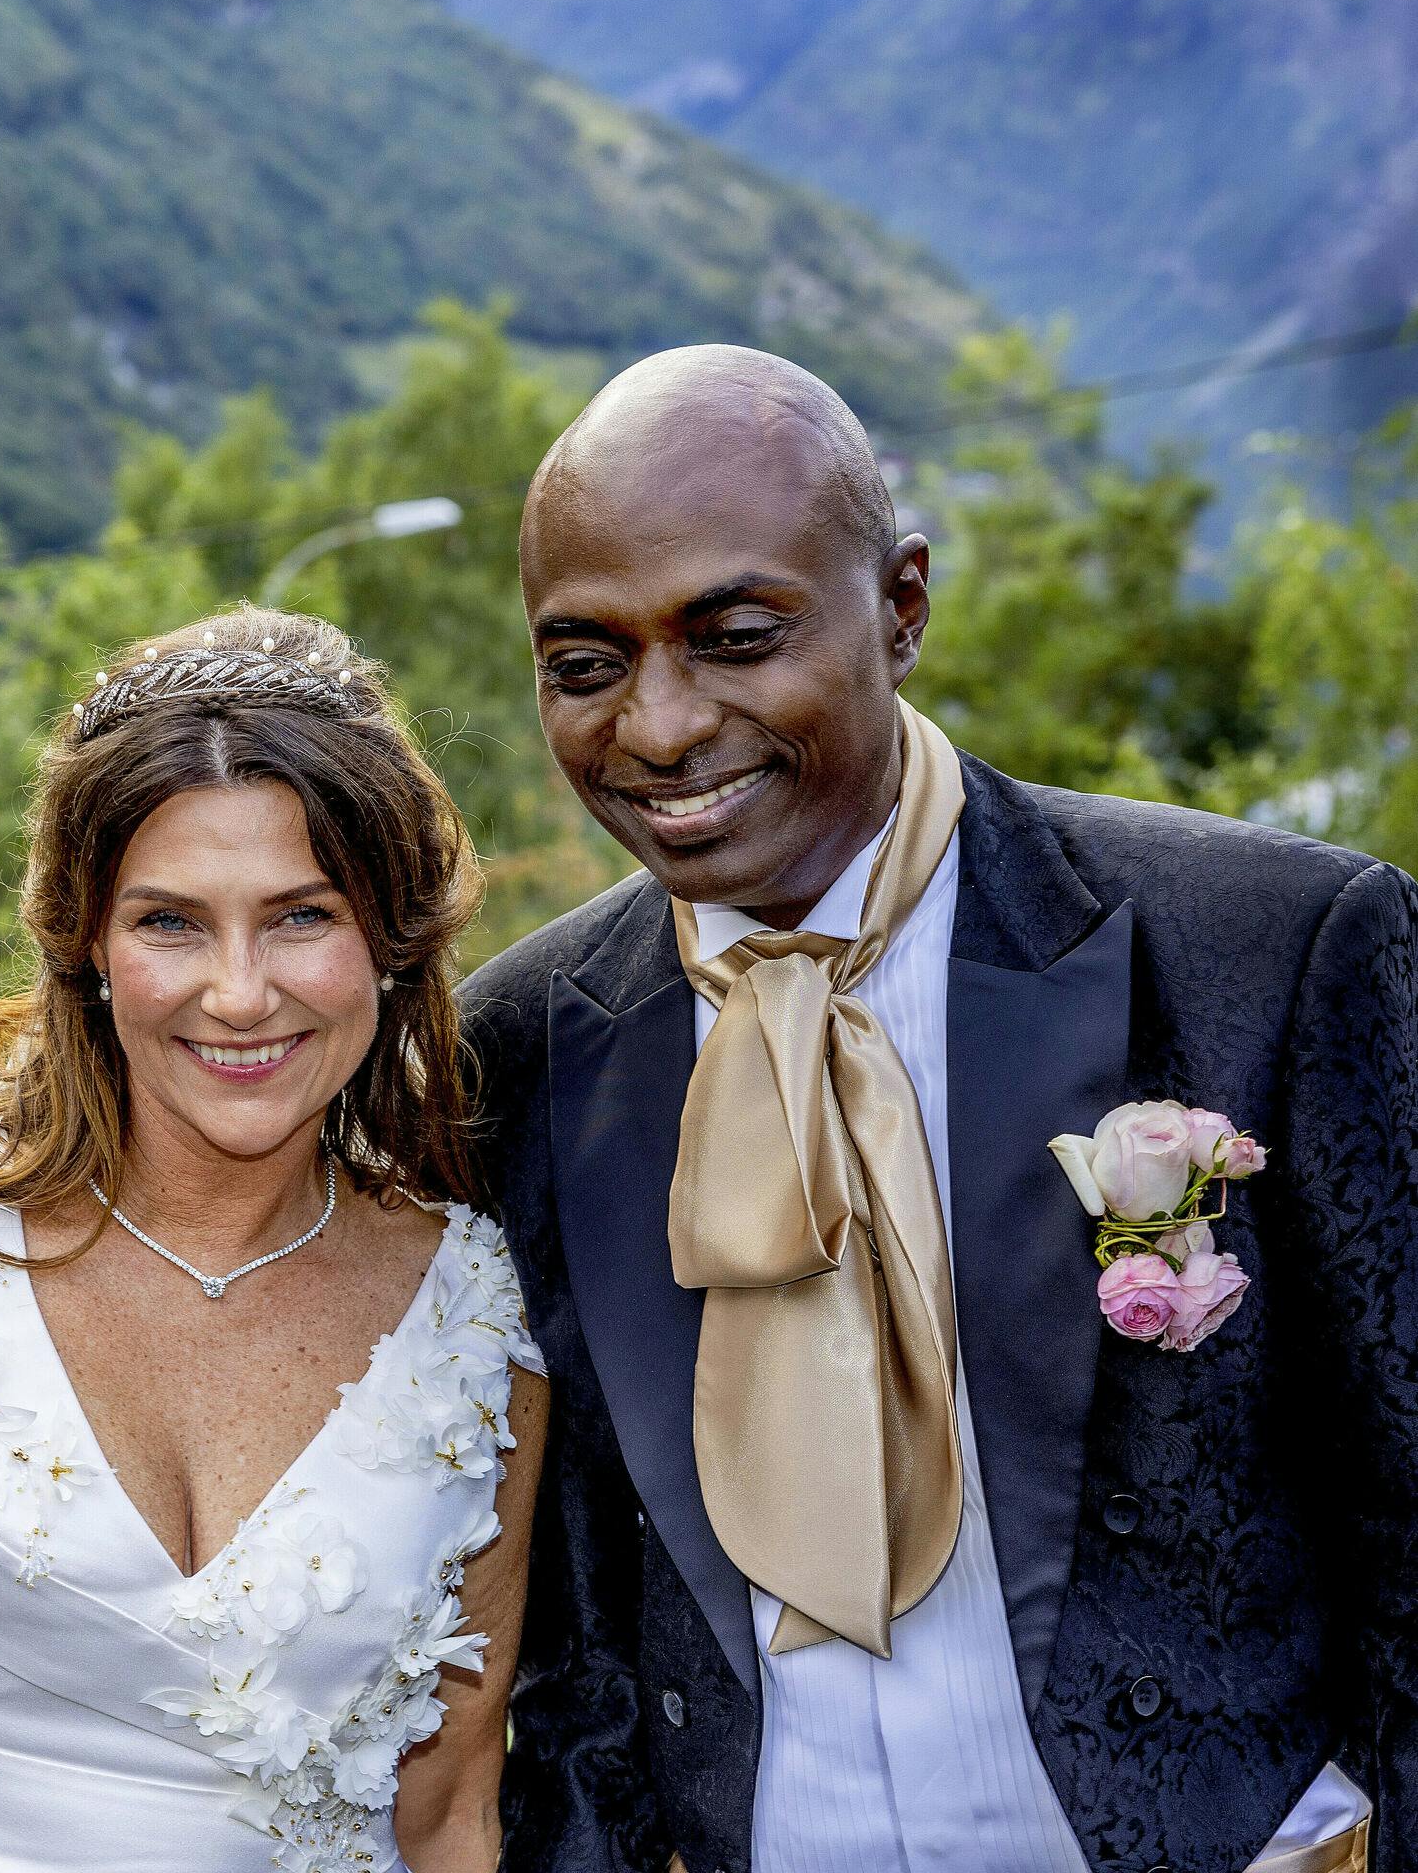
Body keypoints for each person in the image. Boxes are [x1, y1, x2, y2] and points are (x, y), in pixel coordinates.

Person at [464, 345, 1416, 1873]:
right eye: (585, 664)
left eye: (734, 637)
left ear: (899, 606)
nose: (654, 726)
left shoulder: (1269, 952)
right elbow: (570, 1632)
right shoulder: (516, 1052)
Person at [0, 606, 548, 1873]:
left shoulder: (476, 1317)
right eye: (170, 921)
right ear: (89, 946)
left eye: (300, 915)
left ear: (389, 942)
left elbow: (450, 1815)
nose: (236, 991)